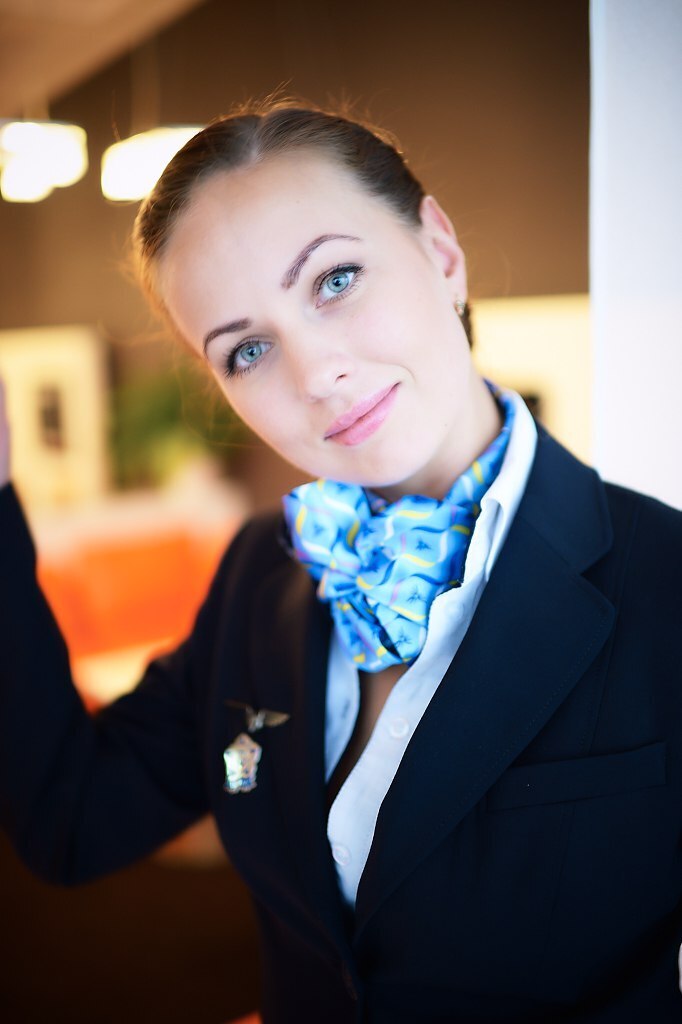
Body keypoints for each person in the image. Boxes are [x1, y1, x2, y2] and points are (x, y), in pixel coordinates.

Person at [1, 99, 681, 1023]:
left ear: (440, 250)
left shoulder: (665, 585)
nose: (313, 370)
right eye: (246, 350)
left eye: (335, 279)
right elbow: (70, 819)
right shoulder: (260, 574)